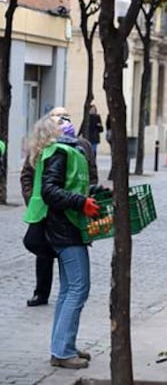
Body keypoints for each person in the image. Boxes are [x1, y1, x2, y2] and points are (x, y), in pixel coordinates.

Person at [23, 112, 105, 369]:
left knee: (69, 289)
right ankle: (62, 351)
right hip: (65, 229)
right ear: (51, 132)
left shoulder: (69, 151)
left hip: (67, 227)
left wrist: (94, 194)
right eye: (60, 121)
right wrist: (81, 202)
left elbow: (70, 186)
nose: (66, 124)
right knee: (78, 288)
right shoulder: (59, 152)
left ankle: (64, 345)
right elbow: (50, 190)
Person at [21, 107, 98, 307]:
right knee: (73, 285)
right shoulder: (46, 147)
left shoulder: (82, 146)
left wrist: (91, 195)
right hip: (51, 214)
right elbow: (34, 181)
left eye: (65, 116)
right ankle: (42, 292)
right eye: (57, 116)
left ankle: (62, 339)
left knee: (71, 285)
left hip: (71, 214)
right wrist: (34, 202)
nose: (62, 120)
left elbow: (89, 175)